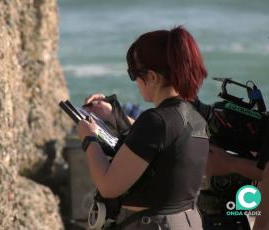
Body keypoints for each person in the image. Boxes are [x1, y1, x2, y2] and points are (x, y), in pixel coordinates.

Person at [76, 26, 209, 229]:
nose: (136, 81)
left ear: (153, 77)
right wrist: (114, 114)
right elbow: (161, 141)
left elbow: (108, 185)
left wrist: (90, 139)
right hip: (188, 221)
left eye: (134, 73)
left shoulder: (155, 121)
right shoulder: (195, 118)